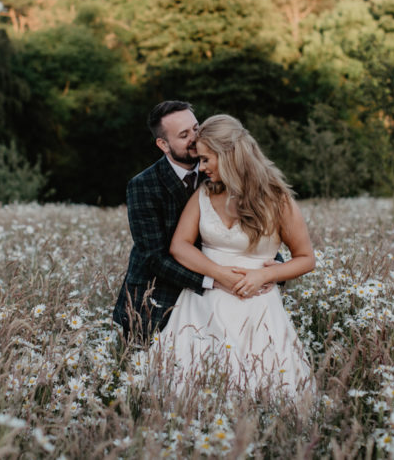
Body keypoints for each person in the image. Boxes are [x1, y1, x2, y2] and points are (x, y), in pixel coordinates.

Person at [153, 114, 315, 397]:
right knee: (188, 390)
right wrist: (219, 275)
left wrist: (266, 274)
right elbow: (180, 246)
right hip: (200, 308)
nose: (201, 168)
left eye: (205, 159)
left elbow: (305, 258)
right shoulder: (204, 194)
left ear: (228, 154)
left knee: (264, 387)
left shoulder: (277, 199)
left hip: (257, 308)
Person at [112, 101, 215, 341]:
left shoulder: (219, 171)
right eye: (184, 135)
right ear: (163, 144)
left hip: (214, 296)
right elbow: (154, 258)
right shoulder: (143, 186)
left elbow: (245, 224)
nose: (195, 138)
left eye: (196, 128)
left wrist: (267, 263)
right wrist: (212, 281)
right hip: (156, 299)